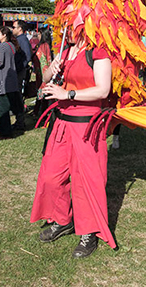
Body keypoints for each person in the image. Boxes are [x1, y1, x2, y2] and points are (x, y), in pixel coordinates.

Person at [30, 30, 116, 258]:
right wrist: (52, 69)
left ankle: (89, 232)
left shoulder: (97, 52)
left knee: (84, 182)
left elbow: (103, 90)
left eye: (70, 23)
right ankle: (62, 219)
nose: (64, 29)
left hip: (86, 127)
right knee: (51, 177)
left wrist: (67, 94)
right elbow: (45, 78)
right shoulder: (65, 51)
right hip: (61, 125)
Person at [32, 26, 54, 117]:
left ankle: (41, 112)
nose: (37, 35)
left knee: (43, 93)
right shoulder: (45, 45)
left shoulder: (44, 46)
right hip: (41, 72)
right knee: (42, 93)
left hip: (43, 72)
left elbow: (46, 61)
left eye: (39, 34)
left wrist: (45, 74)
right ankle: (38, 111)